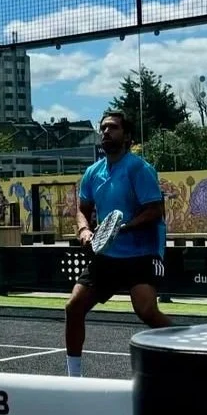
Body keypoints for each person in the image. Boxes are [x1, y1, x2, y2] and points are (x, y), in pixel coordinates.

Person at [65, 111, 172, 376]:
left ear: (127, 136)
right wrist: (84, 230)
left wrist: (123, 227)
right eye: (103, 128)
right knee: (74, 307)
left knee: (146, 311)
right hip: (107, 256)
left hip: (142, 253)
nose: (105, 132)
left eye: (112, 128)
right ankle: (73, 377)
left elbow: (155, 210)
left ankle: (190, 349)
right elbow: (82, 209)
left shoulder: (139, 168)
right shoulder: (92, 172)